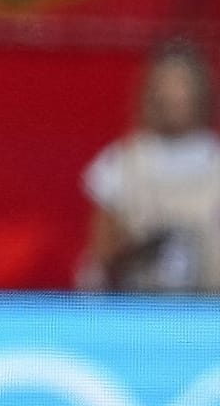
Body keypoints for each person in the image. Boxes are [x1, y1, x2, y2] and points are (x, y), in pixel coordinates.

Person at [79, 38, 220, 292]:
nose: (173, 95)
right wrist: (140, 248)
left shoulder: (215, 161)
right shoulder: (121, 162)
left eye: (182, 84)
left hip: (208, 316)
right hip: (140, 317)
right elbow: (102, 254)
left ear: (200, 91)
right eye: (166, 83)